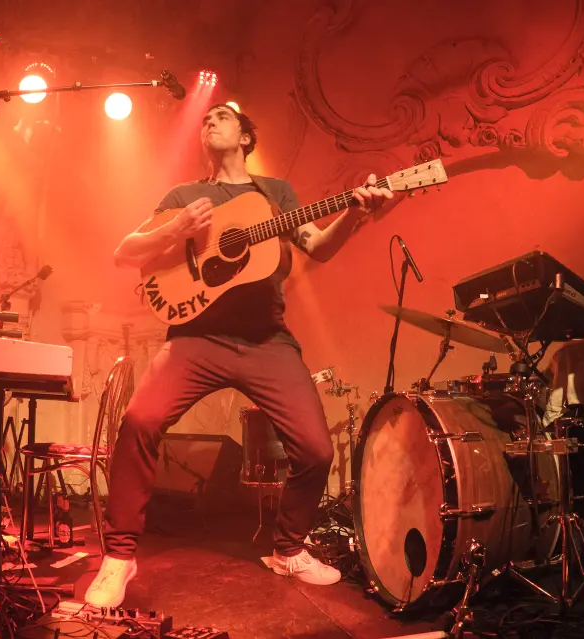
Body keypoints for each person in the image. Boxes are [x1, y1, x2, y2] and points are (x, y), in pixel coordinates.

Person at [85, 103, 392, 607]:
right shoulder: (184, 196)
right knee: (139, 421)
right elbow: (126, 253)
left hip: (265, 340)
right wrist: (177, 228)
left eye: (222, 117)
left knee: (316, 451)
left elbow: (319, 246)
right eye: (205, 119)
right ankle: (119, 557)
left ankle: (287, 549)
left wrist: (356, 210)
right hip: (195, 338)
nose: (209, 121)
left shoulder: (275, 194)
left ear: (246, 137)